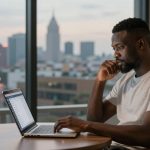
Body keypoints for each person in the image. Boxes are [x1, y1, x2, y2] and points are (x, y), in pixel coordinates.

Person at [54, 18, 150, 149]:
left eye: (120, 47)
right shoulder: (125, 79)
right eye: (114, 48)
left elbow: (146, 135)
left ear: (140, 45)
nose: (115, 54)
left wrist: (84, 125)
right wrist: (100, 81)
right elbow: (95, 119)